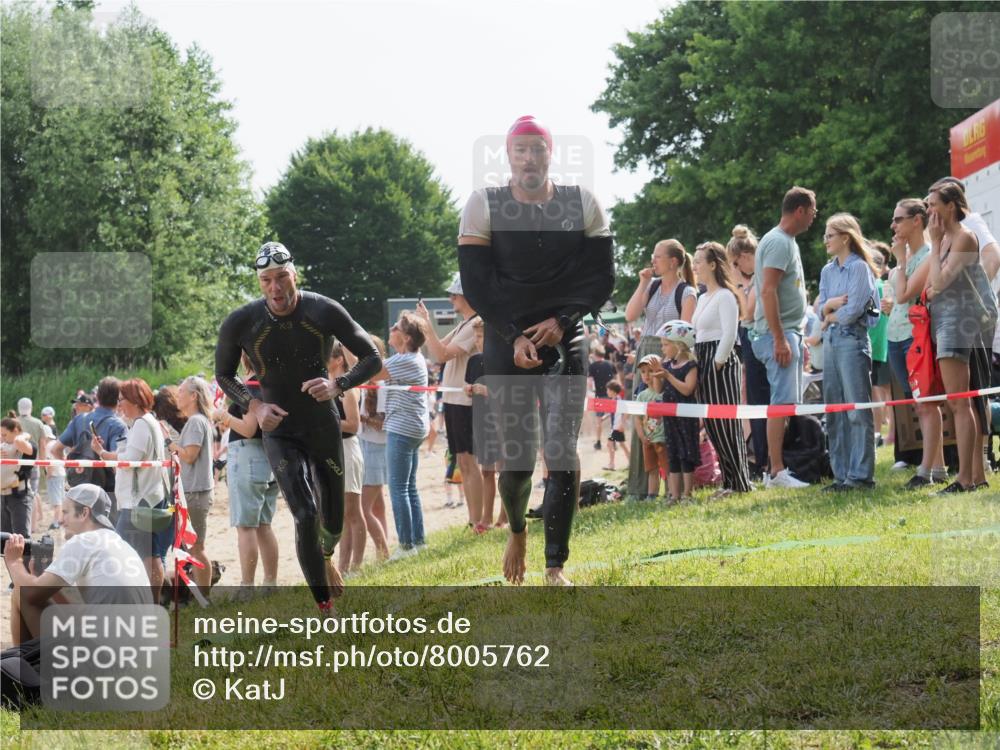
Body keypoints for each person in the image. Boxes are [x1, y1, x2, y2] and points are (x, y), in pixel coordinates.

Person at [458, 114, 614, 586]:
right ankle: (519, 530)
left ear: (550, 153)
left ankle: (555, 565)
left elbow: (601, 279)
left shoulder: (582, 202)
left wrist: (563, 321)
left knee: (560, 448)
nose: (529, 157)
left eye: (537, 149)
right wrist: (514, 335)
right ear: (508, 156)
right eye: (520, 149)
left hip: (565, 334)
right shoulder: (484, 204)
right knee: (518, 459)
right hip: (508, 337)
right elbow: (476, 284)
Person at [216, 242, 381, 613]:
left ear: (295, 275)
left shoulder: (323, 309)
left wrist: (338, 385)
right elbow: (223, 375)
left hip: (322, 424)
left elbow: (372, 356)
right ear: (260, 283)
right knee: (305, 513)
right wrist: (255, 406)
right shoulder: (242, 321)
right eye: (266, 280)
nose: (275, 288)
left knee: (333, 521)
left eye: (281, 278)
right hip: (280, 430)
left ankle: (327, 553)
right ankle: (325, 607)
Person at [3, 484, 151, 645]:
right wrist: (42, 579)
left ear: (84, 513)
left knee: (21, 594)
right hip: (134, 656)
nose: (60, 520)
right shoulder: (119, 544)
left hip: (103, 659)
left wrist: (14, 562)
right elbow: (75, 608)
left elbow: (31, 595)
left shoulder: (84, 541)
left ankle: (20, 665)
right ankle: (27, 664)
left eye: (65, 512)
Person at [925, 182, 996, 493]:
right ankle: (973, 476)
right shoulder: (943, 241)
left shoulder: (964, 236)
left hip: (964, 322)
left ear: (950, 206)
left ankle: (966, 478)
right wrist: (936, 247)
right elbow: (930, 286)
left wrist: (934, 243)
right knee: (959, 401)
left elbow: (938, 282)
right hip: (947, 320)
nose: (928, 211)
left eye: (932, 205)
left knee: (961, 401)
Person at [751, 186, 817, 489]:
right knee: (781, 403)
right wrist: (779, 338)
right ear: (800, 210)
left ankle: (778, 468)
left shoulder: (783, 240)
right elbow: (767, 291)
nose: (815, 217)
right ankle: (776, 471)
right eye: (813, 211)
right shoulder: (779, 241)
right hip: (777, 334)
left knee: (786, 403)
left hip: (787, 331)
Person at [624, 239, 698, 498]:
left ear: (673, 261)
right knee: (642, 417)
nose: (653, 261)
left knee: (665, 422)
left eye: (658, 257)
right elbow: (630, 315)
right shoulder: (652, 285)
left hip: (668, 355)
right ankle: (640, 487)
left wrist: (669, 362)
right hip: (646, 350)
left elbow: (685, 334)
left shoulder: (687, 292)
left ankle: (672, 489)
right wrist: (643, 282)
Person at [416, 274, 486, 532]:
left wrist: (427, 324)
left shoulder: (476, 323)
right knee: (463, 463)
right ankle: (474, 519)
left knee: (470, 462)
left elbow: (442, 353)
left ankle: (478, 521)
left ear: (466, 296)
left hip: (466, 401)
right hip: (456, 399)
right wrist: (425, 326)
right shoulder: (464, 324)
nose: (450, 299)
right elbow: (437, 353)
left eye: (454, 295)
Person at [91, 378, 172, 599]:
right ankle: (152, 604)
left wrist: (105, 454)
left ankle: (139, 603)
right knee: (151, 555)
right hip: (151, 497)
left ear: (134, 400)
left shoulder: (141, 424)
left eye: (121, 400)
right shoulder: (149, 421)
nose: (119, 405)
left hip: (138, 501)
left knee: (121, 553)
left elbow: (130, 460)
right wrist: (104, 453)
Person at [886, 198, 948, 488]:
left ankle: (925, 470)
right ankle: (938, 469)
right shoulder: (906, 257)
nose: (893, 225)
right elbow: (896, 299)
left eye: (899, 219)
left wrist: (899, 262)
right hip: (895, 336)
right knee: (917, 403)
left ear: (916, 221)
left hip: (916, 336)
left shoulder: (925, 256)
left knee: (926, 404)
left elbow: (905, 294)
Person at [817, 213, 879, 491]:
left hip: (852, 341)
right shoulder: (827, 271)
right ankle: (841, 475)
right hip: (830, 342)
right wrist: (828, 305)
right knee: (835, 410)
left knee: (856, 409)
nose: (825, 240)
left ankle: (861, 476)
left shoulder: (859, 268)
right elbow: (821, 308)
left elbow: (854, 310)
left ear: (845, 237)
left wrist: (831, 314)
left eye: (830, 235)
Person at [692, 241, 752, 496]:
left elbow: (729, 335)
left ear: (713, 264)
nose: (694, 266)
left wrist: (716, 365)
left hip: (721, 362)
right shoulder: (703, 297)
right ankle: (729, 481)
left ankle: (739, 482)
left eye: (698, 261)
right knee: (714, 425)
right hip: (703, 358)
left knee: (727, 424)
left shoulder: (726, 296)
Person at [218, 353, 279, 597]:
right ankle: (270, 583)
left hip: (247, 455)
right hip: (268, 456)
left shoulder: (251, 386)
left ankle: (247, 586)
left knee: (246, 526)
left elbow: (248, 427)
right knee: (264, 525)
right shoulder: (273, 383)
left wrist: (224, 416)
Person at [373, 311, 430, 559]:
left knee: (398, 488)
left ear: (406, 337)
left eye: (396, 327)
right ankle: (418, 541)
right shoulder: (409, 358)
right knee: (409, 487)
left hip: (403, 428)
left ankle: (406, 546)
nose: (391, 329)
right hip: (413, 427)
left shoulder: (404, 360)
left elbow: (372, 373)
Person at [728, 225, 770, 478]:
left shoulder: (759, 276)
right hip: (750, 338)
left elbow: (748, 312)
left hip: (759, 337)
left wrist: (738, 285)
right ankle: (761, 457)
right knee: (754, 401)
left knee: (761, 401)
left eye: (734, 263)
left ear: (743, 258)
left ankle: (767, 459)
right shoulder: (751, 279)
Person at [54, 378, 128, 514]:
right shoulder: (118, 425)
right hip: (107, 492)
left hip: (79, 488)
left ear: (97, 397)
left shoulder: (79, 419)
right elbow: (116, 463)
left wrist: (71, 467)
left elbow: (55, 449)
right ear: (118, 399)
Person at [645, 321, 700, 503]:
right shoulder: (666, 364)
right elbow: (659, 390)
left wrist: (668, 375)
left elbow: (687, 389)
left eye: (666, 345)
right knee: (673, 454)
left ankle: (687, 494)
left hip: (686, 417)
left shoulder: (690, 365)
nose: (663, 349)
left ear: (679, 344)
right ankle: (675, 495)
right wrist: (656, 373)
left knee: (686, 454)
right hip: (670, 417)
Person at [463, 318, 506, 528]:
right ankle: (486, 518)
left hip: (504, 421)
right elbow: (469, 386)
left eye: (480, 337)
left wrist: (488, 391)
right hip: (481, 420)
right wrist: (469, 389)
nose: (477, 341)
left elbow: (513, 392)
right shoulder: (473, 361)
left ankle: (504, 516)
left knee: (504, 471)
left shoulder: (504, 362)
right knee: (486, 470)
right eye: (476, 336)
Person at [328, 341, 366, 573]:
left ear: (338, 359)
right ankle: (343, 565)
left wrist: (325, 423)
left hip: (348, 449)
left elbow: (353, 424)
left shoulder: (348, 389)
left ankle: (357, 564)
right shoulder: (332, 385)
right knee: (342, 514)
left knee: (353, 511)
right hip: (335, 449)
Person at [358, 335, 391, 561]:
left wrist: (362, 419)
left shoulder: (381, 385)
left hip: (375, 447)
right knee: (377, 505)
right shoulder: (367, 381)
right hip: (367, 445)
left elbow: (383, 423)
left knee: (363, 508)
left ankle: (383, 551)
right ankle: (383, 551)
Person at [633, 354, 668, 500]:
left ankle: (670, 493)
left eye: (650, 371)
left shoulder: (664, 394)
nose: (646, 375)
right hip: (648, 439)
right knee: (652, 469)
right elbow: (638, 419)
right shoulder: (641, 396)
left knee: (667, 468)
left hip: (663, 438)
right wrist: (642, 436)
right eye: (643, 372)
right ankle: (652, 495)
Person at [868, 243, 893, 446]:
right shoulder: (881, 285)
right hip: (879, 343)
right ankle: (881, 431)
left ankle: (876, 433)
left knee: (875, 389)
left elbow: (872, 315)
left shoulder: (875, 286)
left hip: (873, 343)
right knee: (880, 389)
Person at [1, 416, 37, 536]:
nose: (2, 438)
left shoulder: (25, 444)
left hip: (19, 495)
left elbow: (19, 442)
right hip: (3, 495)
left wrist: (24, 435)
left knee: (22, 537)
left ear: (15, 431)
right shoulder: (4, 444)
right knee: (4, 539)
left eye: (4, 434)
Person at [16, 399, 47, 534]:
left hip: (16, 465)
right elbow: (43, 446)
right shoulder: (38, 423)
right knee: (33, 494)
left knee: (15, 496)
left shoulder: (14, 423)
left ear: (18, 408)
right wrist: (44, 464)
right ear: (31, 408)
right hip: (34, 464)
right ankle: (33, 527)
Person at [587, 345, 617, 450]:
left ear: (595, 354)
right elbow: (616, 380)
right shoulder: (610, 364)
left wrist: (592, 390)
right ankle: (614, 442)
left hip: (599, 396)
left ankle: (598, 443)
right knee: (613, 420)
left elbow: (590, 383)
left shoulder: (592, 366)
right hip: (611, 395)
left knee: (598, 421)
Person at [603, 381, 629, 471]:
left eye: (608, 390)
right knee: (621, 444)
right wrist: (604, 417)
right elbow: (612, 413)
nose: (607, 392)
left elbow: (625, 413)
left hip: (617, 427)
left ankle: (612, 464)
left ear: (613, 391)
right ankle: (629, 462)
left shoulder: (619, 400)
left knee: (610, 444)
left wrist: (622, 424)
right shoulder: (613, 400)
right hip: (614, 427)